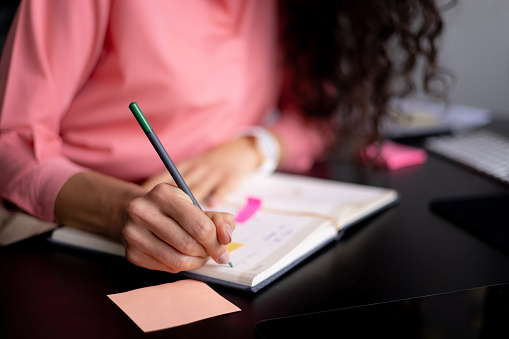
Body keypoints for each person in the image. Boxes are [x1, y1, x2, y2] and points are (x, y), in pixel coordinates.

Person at [0, 0, 450, 273]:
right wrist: (122, 210)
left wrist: (252, 148)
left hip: (221, 206)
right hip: (65, 223)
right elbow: (11, 144)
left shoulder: (294, 5)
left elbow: (316, 117)